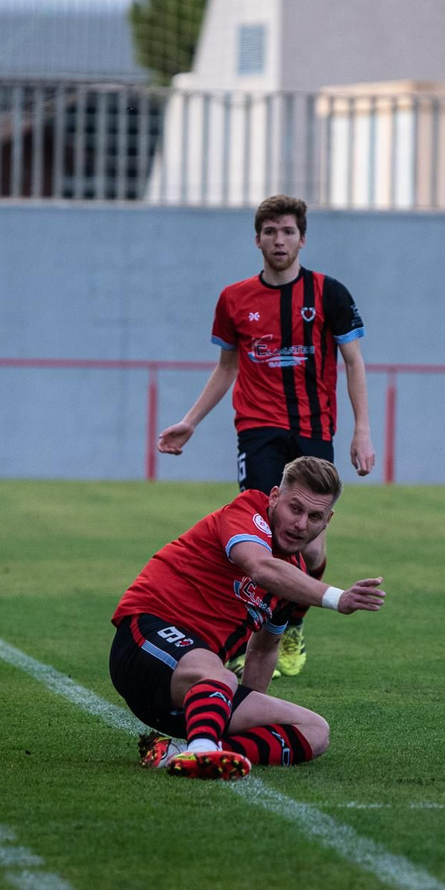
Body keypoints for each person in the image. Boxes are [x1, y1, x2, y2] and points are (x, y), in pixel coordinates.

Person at [157, 194, 374, 679]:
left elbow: (354, 362)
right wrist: (190, 421)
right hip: (258, 432)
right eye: (271, 231)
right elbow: (226, 367)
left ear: (302, 238)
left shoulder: (329, 293)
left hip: (316, 432)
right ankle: (248, 635)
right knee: (261, 536)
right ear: (257, 238)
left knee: (310, 548)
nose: (280, 240)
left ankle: (289, 625)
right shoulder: (233, 299)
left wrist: (362, 430)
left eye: (288, 231)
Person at [110, 457, 384, 779]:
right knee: (221, 676)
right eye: (295, 509)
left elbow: (264, 650)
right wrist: (338, 598)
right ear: (274, 498)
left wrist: (247, 709)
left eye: (315, 516)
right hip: (144, 640)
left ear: (328, 521)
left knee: (315, 731)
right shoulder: (247, 512)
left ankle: (180, 753)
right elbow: (260, 568)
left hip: (195, 690)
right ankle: (201, 754)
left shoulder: (293, 577)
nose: (300, 524)